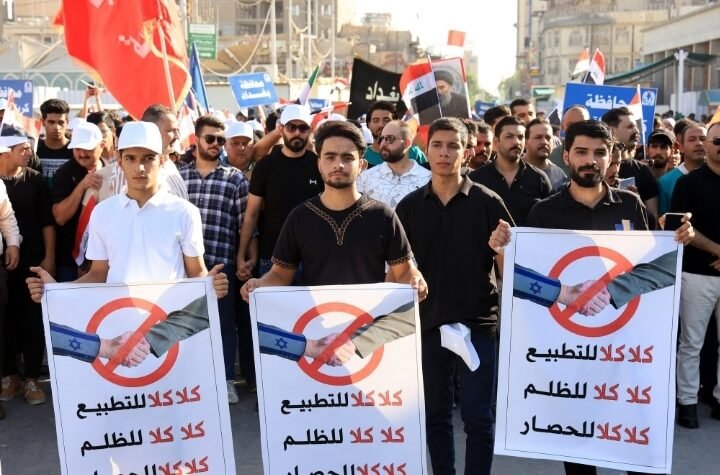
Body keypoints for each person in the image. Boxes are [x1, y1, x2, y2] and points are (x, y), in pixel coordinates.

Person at [489, 120, 694, 475]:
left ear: (612, 157)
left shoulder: (630, 206)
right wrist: (503, 251)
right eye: (581, 152)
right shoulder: (544, 212)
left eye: (600, 153)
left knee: (634, 447)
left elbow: (658, 268)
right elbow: (519, 279)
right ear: (566, 156)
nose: (590, 161)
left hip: (626, 351)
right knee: (579, 447)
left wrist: (677, 240)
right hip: (567, 354)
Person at [396, 117, 514, 475]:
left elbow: (509, 270)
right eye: (437, 145)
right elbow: (397, 270)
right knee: (435, 415)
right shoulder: (408, 207)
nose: (444, 153)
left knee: (478, 416)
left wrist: (502, 249)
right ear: (426, 149)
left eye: (453, 146)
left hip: (478, 323)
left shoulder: (488, 202)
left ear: (468, 151)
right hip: (427, 323)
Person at [27, 121, 228, 307]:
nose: (140, 168)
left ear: (161, 160)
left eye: (148, 158)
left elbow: (196, 273)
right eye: (131, 158)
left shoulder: (185, 212)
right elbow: (97, 274)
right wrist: (54, 290)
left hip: (170, 322)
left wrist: (211, 284)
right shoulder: (103, 213)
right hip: (119, 322)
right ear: (119, 161)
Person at [241, 120, 426, 298]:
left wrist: (416, 280)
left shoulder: (383, 216)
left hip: (371, 319)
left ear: (361, 165)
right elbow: (280, 275)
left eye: (348, 157)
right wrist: (259, 284)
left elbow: (404, 272)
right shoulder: (299, 218)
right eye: (330, 157)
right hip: (315, 318)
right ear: (318, 163)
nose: (338, 165)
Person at [179, 115, 248, 404]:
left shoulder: (235, 178)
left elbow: (244, 225)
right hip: (184, 267)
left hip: (221, 263)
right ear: (196, 139)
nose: (216, 144)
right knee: (184, 325)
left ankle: (226, 380)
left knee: (224, 325)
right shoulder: (177, 177)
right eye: (210, 138)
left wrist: (243, 258)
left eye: (221, 140)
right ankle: (187, 384)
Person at [237, 104, 322, 283]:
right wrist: (241, 255)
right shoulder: (265, 166)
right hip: (272, 257)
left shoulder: (319, 165)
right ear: (281, 128)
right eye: (291, 127)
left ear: (310, 130)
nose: (297, 133)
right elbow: (251, 214)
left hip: (312, 257)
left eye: (303, 128)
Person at [0, 126, 54, 408]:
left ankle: (32, 378)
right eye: (22, 149)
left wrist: (49, 257)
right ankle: (9, 375)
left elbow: (47, 222)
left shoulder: (35, 180)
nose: (29, 153)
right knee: (4, 321)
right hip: (3, 265)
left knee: (32, 320)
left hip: (32, 261)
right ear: (5, 153)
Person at [672, 121, 720, 428]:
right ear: (708, 145)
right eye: (717, 141)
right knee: (691, 343)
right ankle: (687, 401)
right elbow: (682, 228)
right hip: (696, 275)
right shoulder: (688, 184)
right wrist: (716, 249)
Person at [470, 116, 552, 226]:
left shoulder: (539, 179)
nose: (516, 142)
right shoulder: (476, 178)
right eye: (509, 136)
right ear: (496, 142)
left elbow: (550, 219)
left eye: (520, 137)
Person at [51, 121, 106, 281]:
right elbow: (60, 217)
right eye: (77, 149)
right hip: (70, 259)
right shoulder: (65, 173)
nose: (82, 154)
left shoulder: (111, 170)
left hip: (104, 258)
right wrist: (82, 185)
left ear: (102, 145)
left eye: (87, 148)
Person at [356, 120, 430, 208]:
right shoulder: (365, 179)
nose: (383, 143)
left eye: (389, 139)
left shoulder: (428, 179)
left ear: (407, 143)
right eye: (381, 139)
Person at [601, 107, 659, 220]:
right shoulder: (594, 169)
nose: (636, 131)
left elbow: (653, 220)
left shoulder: (643, 171)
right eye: (630, 126)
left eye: (636, 126)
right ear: (611, 130)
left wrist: (635, 201)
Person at [657, 121, 706, 215]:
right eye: (692, 139)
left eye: (703, 139)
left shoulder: (716, 174)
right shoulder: (665, 182)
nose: (699, 143)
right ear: (681, 147)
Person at [363, 101, 428, 168]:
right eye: (376, 121)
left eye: (386, 120)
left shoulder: (413, 153)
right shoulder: (361, 155)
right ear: (368, 124)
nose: (381, 124)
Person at [523, 117, 568, 192]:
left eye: (548, 138)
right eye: (538, 137)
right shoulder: (513, 170)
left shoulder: (559, 175)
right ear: (526, 142)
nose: (544, 142)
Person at [36, 99, 73, 186]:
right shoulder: (34, 150)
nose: (56, 127)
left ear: (67, 122)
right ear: (43, 122)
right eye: (51, 122)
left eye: (61, 122)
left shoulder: (76, 150)